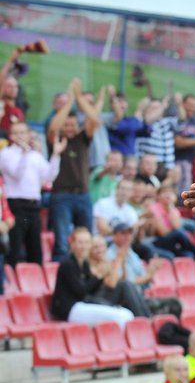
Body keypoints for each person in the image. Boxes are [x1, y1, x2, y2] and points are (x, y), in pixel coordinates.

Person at [48, 78, 102, 262]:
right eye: (67, 125)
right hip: (61, 195)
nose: (69, 128)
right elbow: (54, 126)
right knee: (62, 242)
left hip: (82, 195)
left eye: (72, 124)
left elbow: (94, 120)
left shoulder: (82, 139)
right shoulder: (56, 141)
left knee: (87, 240)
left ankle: (85, 274)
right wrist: (68, 103)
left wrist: (79, 97)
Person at [0, 122, 62, 264]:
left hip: (33, 206)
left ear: (29, 135)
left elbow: (49, 176)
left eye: (23, 132)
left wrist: (56, 155)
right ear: (10, 136)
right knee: (14, 248)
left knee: (35, 248)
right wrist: (24, 154)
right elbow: (16, 174)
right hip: (15, 205)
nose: (20, 136)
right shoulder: (5, 154)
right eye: (16, 133)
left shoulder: (35, 156)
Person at [50, 227, 135, 328]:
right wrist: (98, 275)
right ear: (72, 243)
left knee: (126, 313)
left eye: (87, 242)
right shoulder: (67, 264)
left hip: (82, 305)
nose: (84, 246)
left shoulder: (84, 263)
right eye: (80, 242)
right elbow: (81, 292)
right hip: (70, 309)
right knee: (122, 317)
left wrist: (101, 276)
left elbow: (91, 291)